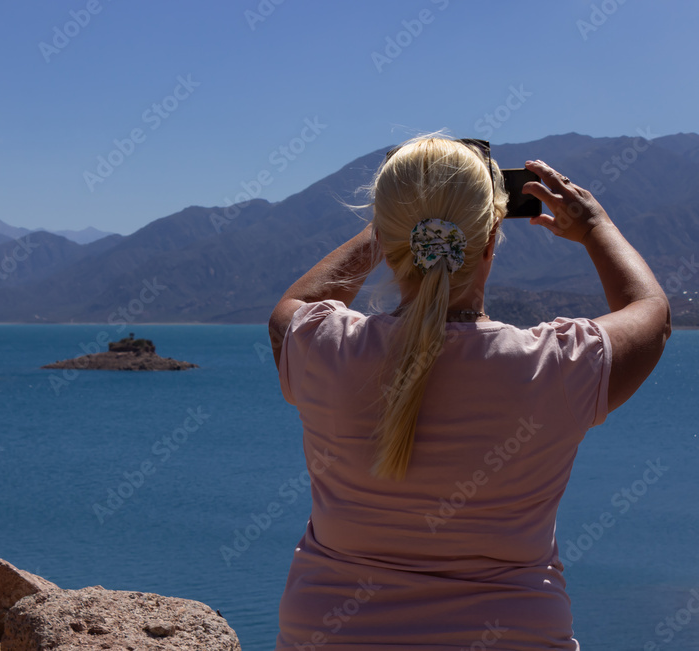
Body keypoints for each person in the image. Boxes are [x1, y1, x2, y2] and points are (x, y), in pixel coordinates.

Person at [267, 136, 671, 650]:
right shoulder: (553, 365)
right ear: (491, 238)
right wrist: (594, 227)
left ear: (391, 240)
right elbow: (652, 316)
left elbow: (297, 303)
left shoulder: (321, 347)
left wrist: (400, 227)